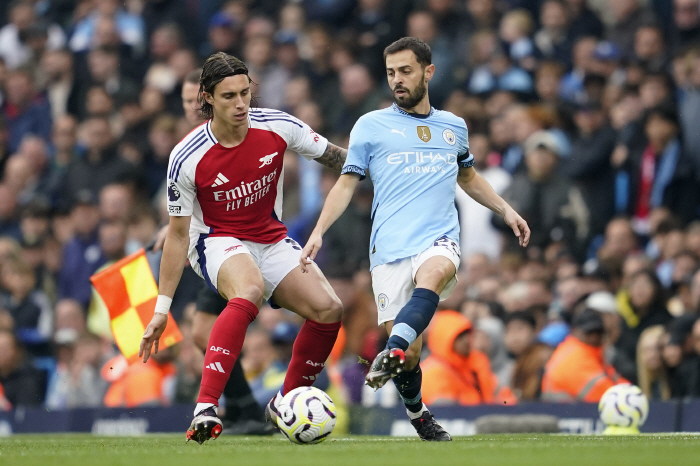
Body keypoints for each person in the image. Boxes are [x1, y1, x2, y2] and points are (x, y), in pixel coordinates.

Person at [300, 37, 529, 441]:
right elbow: (345, 184)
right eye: (391, 73)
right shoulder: (370, 125)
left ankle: (391, 352)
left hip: (438, 237)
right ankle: (418, 411)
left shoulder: (453, 126)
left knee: (435, 275)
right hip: (388, 247)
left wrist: (506, 209)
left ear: (428, 71)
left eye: (405, 71)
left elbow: (468, 177)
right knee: (412, 354)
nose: (397, 80)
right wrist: (318, 231)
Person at [139, 52, 346, 444]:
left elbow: (338, 159)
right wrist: (161, 310)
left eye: (245, 93)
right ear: (208, 99)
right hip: (216, 240)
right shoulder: (186, 156)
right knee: (248, 289)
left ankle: (286, 403)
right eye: (229, 96)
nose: (240, 104)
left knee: (329, 309)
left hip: (270, 236)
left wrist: (383, 168)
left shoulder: (279, 126)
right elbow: (178, 235)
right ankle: (205, 408)